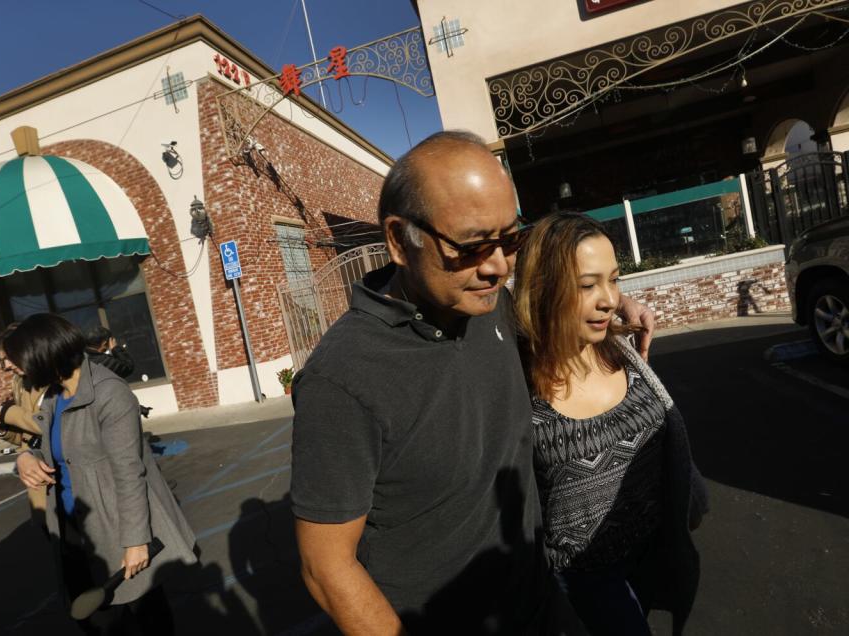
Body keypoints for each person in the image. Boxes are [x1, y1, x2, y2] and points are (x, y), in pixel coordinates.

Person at [290, 131, 654, 634]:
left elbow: (549, 316)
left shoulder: (489, 306)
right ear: (399, 239)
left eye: (510, 239)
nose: (498, 266)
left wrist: (617, 311)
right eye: (471, 246)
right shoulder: (341, 380)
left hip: (542, 605)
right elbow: (326, 568)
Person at [512, 213, 709, 636]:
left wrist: (622, 303)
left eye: (614, 280)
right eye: (587, 285)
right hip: (584, 580)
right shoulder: (517, 385)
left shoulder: (621, 350)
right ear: (543, 290)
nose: (607, 298)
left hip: (654, 551)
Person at [8, 313, 196, 635]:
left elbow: (129, 472)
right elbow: (46, 443)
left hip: (117, 528)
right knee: (95, 619)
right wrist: (26, 457)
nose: (11, 368)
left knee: (147, 618)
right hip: (73, 530)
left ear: (43, 355)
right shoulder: (54, 396)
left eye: (16, 361)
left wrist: (136, 540)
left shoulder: (110, 394)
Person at [0, 324, 49, 526]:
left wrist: (7, 413)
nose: (4, 366)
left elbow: (51, 424)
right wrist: (0, 425)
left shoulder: (54, 379)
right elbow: (25, 434)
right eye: (1, 359)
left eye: (7, 357)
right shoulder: (20, 381)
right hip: (37, 481)